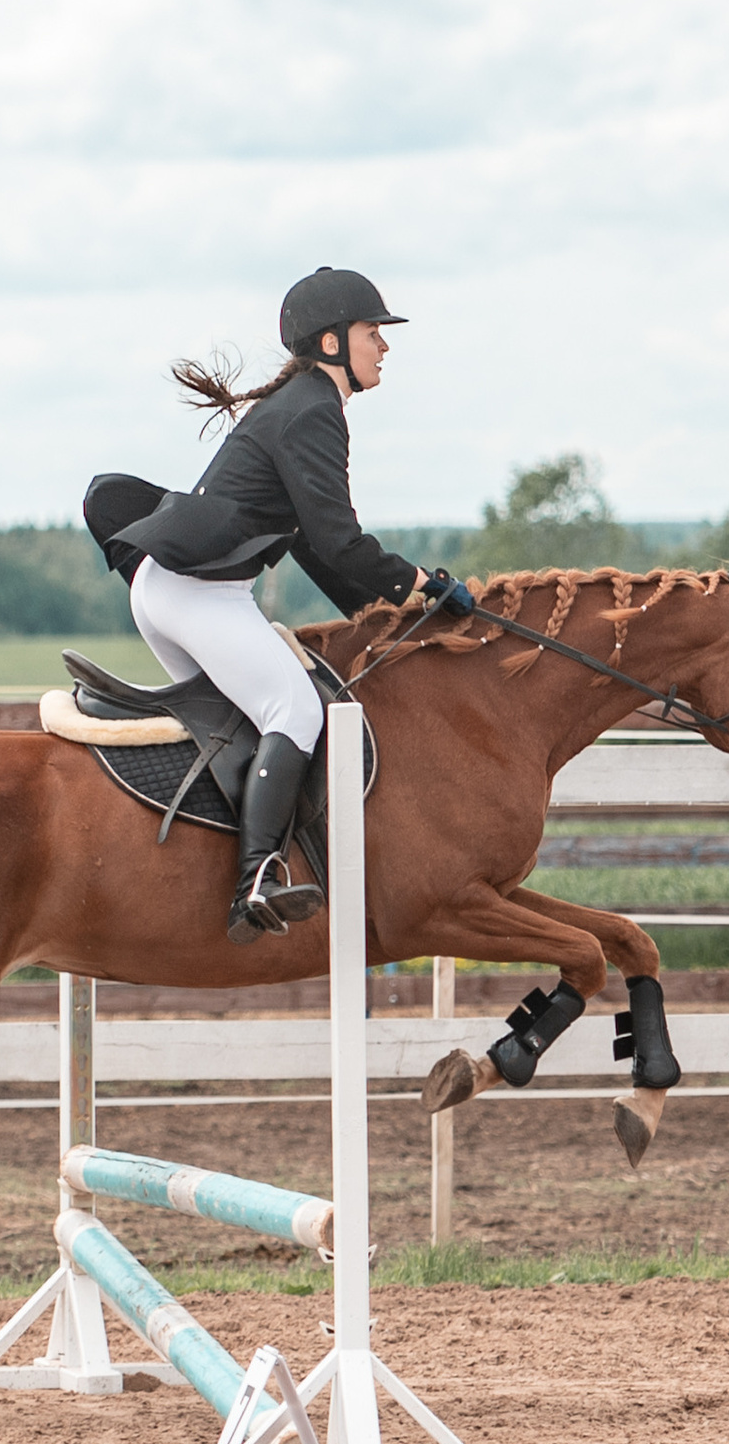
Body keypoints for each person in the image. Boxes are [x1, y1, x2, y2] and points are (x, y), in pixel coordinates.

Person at [88, 266, 475, 943]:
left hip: (170, 589)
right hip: (197, 592)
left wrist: (380, 609)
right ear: (331, 343)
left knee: (241, 722)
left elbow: (314, 550)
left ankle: (204, 864)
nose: (384, 346)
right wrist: (422, 583)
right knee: (293, 707)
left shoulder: (300, 404)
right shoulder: (314, 410)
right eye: (371, 332)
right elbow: (340, 540)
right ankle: (257, 877)